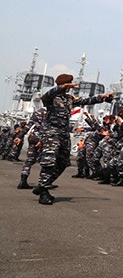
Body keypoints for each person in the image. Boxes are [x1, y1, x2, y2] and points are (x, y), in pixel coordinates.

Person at [34, 74, 114, 205]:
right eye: (69, 84)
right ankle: (43, 191)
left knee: (64, 162)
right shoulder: (51, 97)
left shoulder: (69, 99)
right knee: (49, 160)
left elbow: (85, 101)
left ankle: (43, 184)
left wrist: (102, 97)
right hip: (51, 133)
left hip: (64, 133)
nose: (71, 86)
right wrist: (61, 87)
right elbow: (46, 96)